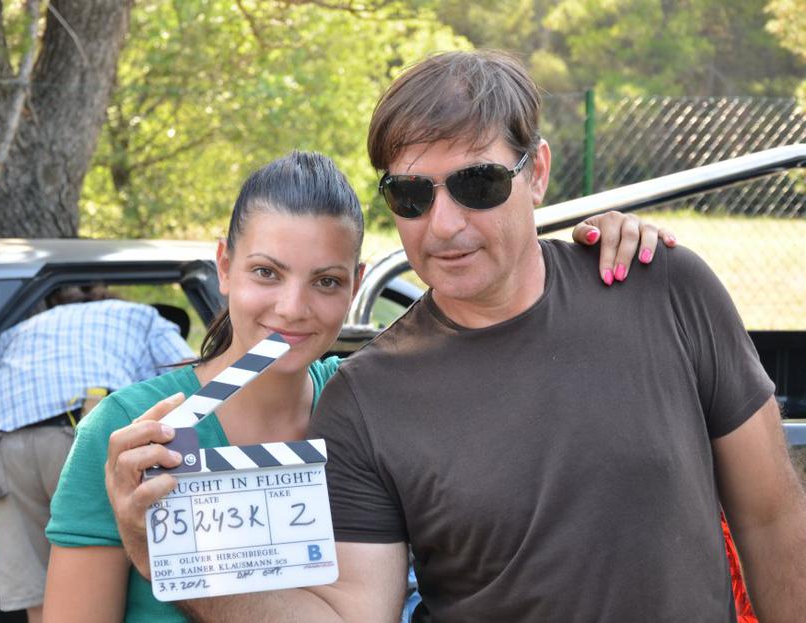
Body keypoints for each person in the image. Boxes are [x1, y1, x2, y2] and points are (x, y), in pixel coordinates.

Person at [124, 52, 803, 621]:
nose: (443, 224)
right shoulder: (365, 399)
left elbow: (771, 518)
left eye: (477, 184)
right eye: (411, 195)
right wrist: (172, 561)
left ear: (536, 173)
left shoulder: (663, 288)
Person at [43, 150, 670, 622]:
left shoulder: (373, 410)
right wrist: (144, 538)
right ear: (225, 266)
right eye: (266, 273)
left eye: (326, 282)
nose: (292, 308)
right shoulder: (128, 437)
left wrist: (600, 252)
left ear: (356, 282)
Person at [0, 286, 193, 622]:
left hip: (3, 447)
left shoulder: (18, 331)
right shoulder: (143, 316)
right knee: (102, 574)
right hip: (85, 436)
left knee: (39, 596)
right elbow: (190, 380)